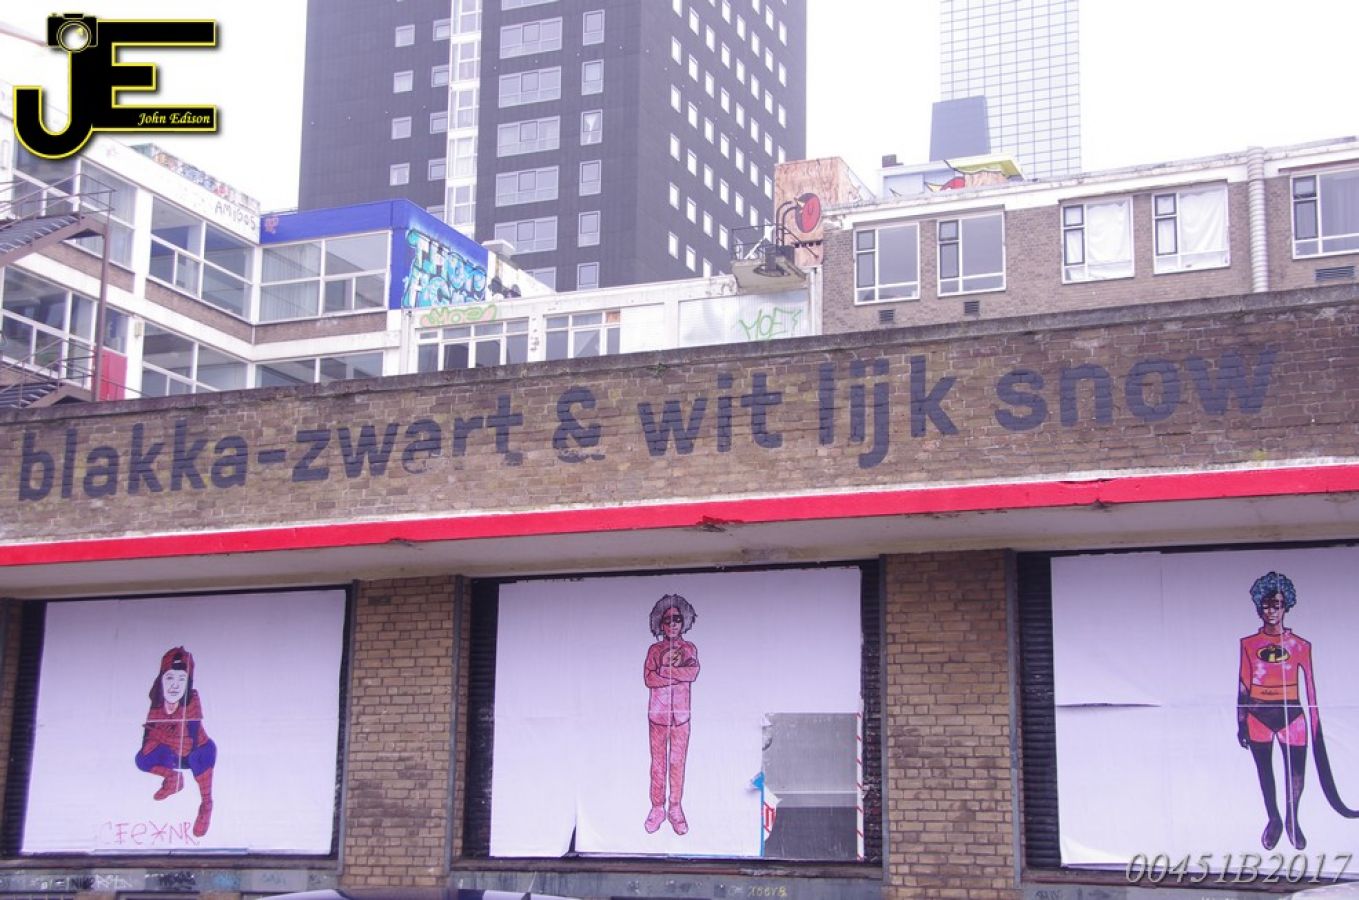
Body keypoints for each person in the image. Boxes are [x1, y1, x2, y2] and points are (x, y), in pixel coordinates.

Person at [135, 647, 217, 838]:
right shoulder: (156, 705)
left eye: (181, 679)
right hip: (173, 753)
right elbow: (147, 742)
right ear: (161, 679)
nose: (175, 685)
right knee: (142, 758)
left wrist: (160, 735)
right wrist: (158, 738)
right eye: (170, 678)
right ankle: (173, 779)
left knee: (200, 756)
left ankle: (206, 804)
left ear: (188, 683)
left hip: (194, 752)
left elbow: (189, 744)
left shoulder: (192, 702)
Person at [643, 593, 700, 835]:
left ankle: (675, 808)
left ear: (684, 621)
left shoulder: (689, 648)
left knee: (677, 764)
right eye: (667, 620)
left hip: (681, 717)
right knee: (658, 765)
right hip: (658, 716)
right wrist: (676, 673)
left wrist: (666, 672)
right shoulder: (654, 649)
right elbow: (649, 679)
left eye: (677, 619)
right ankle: (657, 808)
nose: (673, 624)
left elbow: (693, 673)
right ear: (660, 623)